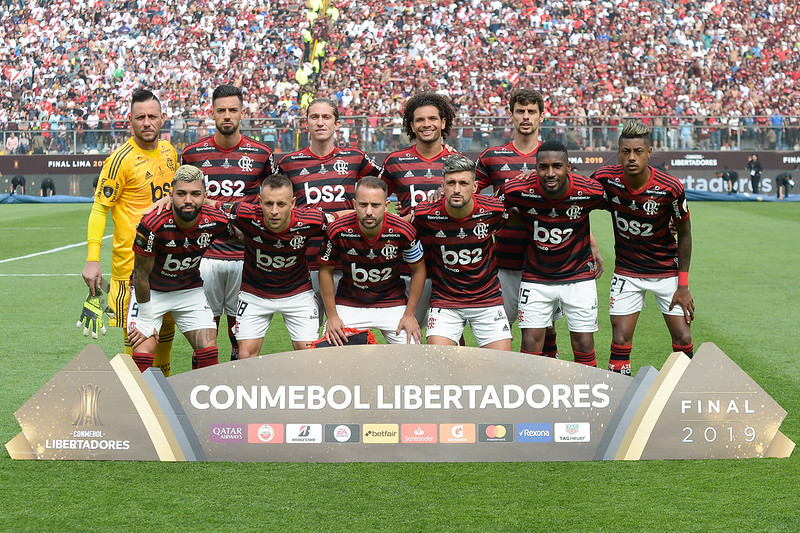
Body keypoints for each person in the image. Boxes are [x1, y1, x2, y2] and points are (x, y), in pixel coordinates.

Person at [81, 88, 178, 376]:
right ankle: (135, 409)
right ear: (130, 121)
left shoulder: (171, 153)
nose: (146, 123)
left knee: (165, 339)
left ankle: (159, 404)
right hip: (132, 269)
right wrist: (92, 258)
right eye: (140, 118)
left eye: (152, 116)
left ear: (162, 119)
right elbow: (99, 209)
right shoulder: (119, 160)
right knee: (138, 344)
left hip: (169, 264)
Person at [181, 85, 276, 361]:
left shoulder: (261, 154)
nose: (227, 115)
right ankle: (203, 393)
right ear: (211, 113)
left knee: (240, 338)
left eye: (232, 110)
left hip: (245, 256)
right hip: (204, 256)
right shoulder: (192, 154)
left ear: (242, 113)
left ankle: (235, 397)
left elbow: (274, 198)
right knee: (204, 338)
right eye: (221, 110)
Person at [592, 121, 694, 375]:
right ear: (619, 151)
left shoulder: (670, 187)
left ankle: (683, 394)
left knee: (682, 337)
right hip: (627, 272)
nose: (631, 157)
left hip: (665, 272)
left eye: (638, 151)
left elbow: (685, 233)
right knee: (621, 338)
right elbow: (577, 195)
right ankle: (619, 396)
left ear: (649, 152)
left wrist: (683, 285)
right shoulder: (606, 179)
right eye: (625, 151)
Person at [501, 141, 606, 366]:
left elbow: (626, 206)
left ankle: (586, 396)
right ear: (535, 167)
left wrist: (668, 223)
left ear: (568, 167)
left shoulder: (590, 191)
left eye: (557, 166)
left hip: (578, 276)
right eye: (543, 167)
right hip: (536, 277)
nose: (550, 173)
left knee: (583, 343)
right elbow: (490, 208)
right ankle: (534, 397)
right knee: (530, 343)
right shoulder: (516, 189)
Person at [276, 97, 381, 319]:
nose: (320, 122)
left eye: (326, 117)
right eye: (314, 117)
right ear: (306, 123)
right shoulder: (288, 163)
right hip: (304, 263)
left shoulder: (355, 158)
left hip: (347, 262)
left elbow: (388, 182)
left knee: (346, 335)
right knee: (309, 339)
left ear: (337, 123)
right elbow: (274, 205)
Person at [128, 165, 237, 372]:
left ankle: (202, 402)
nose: (188, 200)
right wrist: (145, 317)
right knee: (143, 349)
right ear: (171, 195)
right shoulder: (152, 224)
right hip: (151, 291)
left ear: (205, 196)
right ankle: (140, 403)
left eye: (195, 194)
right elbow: (141, 274)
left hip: (189, 290)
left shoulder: (216, 220)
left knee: (208, 351)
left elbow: (240, 237)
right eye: (181, 193)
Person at [219, 173, 332, 354]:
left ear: (293, 203)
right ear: (259, 201)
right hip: (255, 294)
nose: (274, 211)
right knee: (245, 355)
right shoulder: (244, 213)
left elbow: (342, 218)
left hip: (298, 294)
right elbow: (205, 205)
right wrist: (168, 201)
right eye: (268, 203)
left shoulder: (311, 219)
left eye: (281, 204)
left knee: (309, 356)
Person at [411, 154, 512, 350]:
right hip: (445, 300)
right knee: (438, 360)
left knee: (502, 366)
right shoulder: (425, 213)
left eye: (463, 183)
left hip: (487, 298)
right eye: (451, 183)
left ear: (474, 187)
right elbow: (405, 232)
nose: (457, 190)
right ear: (443, 185)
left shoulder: (494, 210)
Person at [378, 92, 458, 326]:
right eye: (420, 120)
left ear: (443, 122)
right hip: (408, 266)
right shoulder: (395, 161)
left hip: (449, 265)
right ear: (411, 125)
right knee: (406, 333)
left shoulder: (457, 161)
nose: (426, 124)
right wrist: (396, 218)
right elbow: (374, 199)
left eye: (432, 118)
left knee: (450, 337)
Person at [318, 176, 425, 345]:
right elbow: (325, 270)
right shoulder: (337, 230)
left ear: (386, 206)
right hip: (350, 303)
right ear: (354, 205)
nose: (369, 211)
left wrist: (409, 315)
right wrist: (332, 316)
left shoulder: (403, 230)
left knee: (412, 356)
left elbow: (419, 269)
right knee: (329, 353)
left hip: (392, 302)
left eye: (375, 205)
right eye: (363, 204)